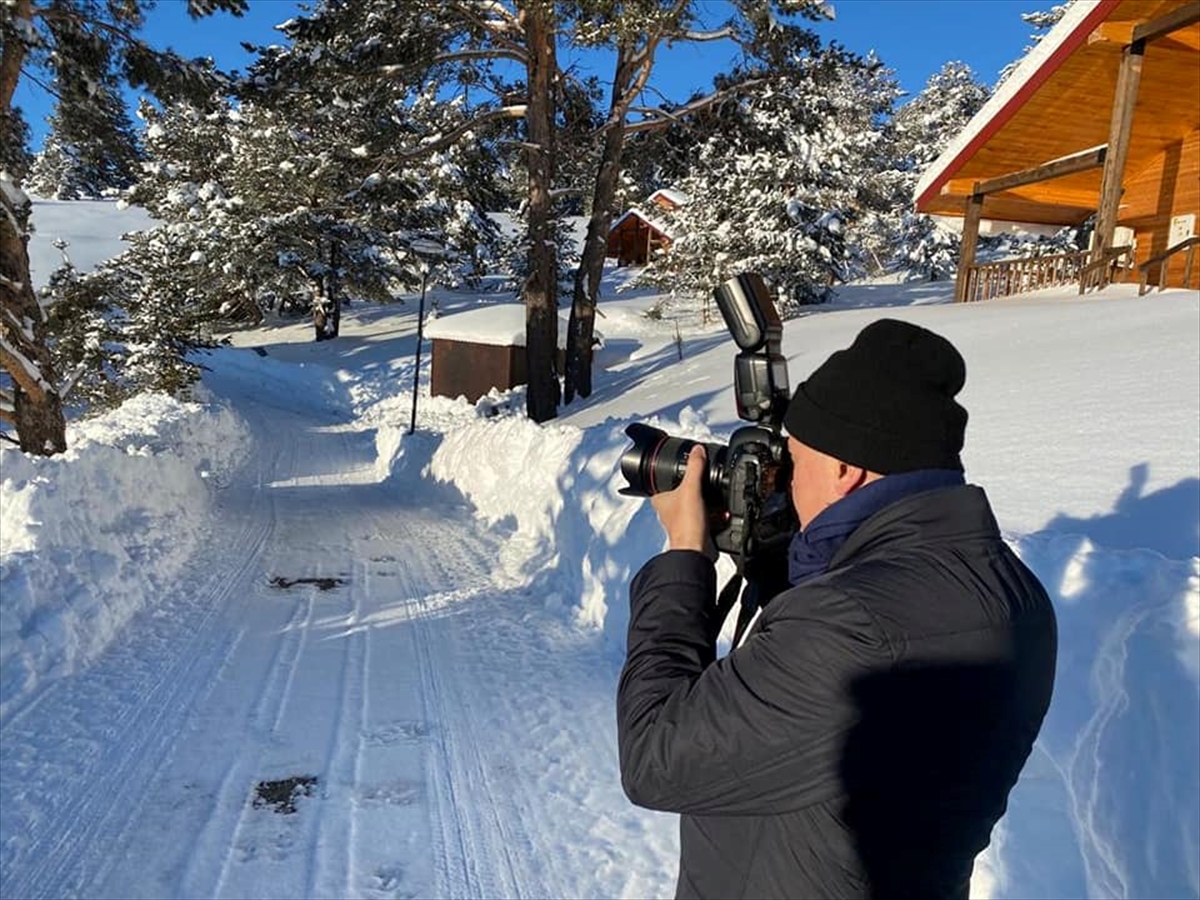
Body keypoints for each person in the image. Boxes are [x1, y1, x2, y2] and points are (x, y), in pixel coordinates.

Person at [616, 318, 1058, 900]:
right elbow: (836, 713)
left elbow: (656, 757)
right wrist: (780, 559)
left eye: (794, 463)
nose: (785, 481)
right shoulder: (1014, 592)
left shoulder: (849, 625)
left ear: (846, 471)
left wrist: (684, 558)